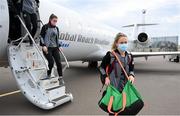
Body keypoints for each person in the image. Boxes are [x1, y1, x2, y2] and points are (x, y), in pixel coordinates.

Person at [99, 32, 135, 115]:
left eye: (125, 42)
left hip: (126, 89)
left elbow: (132, 69)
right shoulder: (110, 55)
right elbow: (101, 67)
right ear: (116, 43)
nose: (124, 44)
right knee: (114, 110)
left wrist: (132, 75)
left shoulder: (129, 56)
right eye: (121, 43)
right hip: (114, 89)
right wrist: (105, 77)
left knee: (125, 110)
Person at [40, 14, 63, 79]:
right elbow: (41, 37)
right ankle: (48, 74)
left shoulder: (56, 28)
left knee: (58, 62)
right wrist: (43, 45)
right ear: (50, 20)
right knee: (51, 62)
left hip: (55, 48)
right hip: (47, 48)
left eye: (56, 21)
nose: (55, 22)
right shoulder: (45, 27)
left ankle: (60, 77)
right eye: (54, 21)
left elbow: (57, 38)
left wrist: (60, 46)